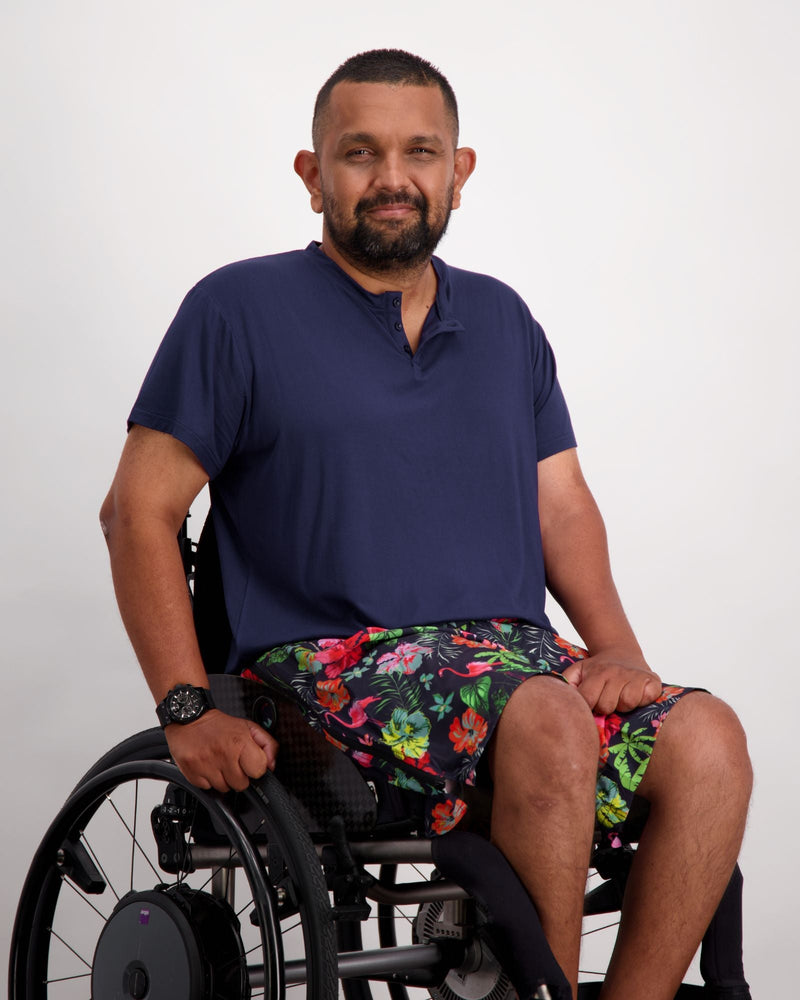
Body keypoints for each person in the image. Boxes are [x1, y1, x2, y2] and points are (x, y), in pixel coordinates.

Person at [100, 48, 752, 1000]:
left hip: (513, 660)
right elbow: (136, 512)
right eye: (360, 153)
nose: (393, 178)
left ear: (460, 171)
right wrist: (187, 706)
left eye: (420, 152)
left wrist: (617, 652)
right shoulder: (236, 311)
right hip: (329, 668)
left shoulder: (502, 320)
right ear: (313, 173)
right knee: (547, 719)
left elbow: (561, 505)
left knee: (709, 739)